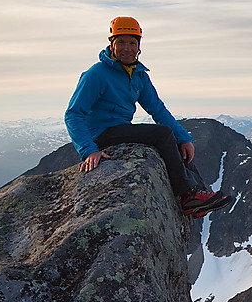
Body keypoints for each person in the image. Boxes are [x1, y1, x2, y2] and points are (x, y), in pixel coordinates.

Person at [65, 16, 231, 217]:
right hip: (100, 134)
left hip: (119, 130)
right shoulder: (97, 73)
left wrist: (185, 138)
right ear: (111, 44)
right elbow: (73, 114)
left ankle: (198, 197)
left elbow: (157, 110)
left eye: (132, 43)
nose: (127, 48)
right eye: (121, 42)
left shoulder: (139, 75)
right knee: (162, 134)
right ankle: (187, 195)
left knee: (176, 143)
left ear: (139, 46)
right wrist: (89, 150)